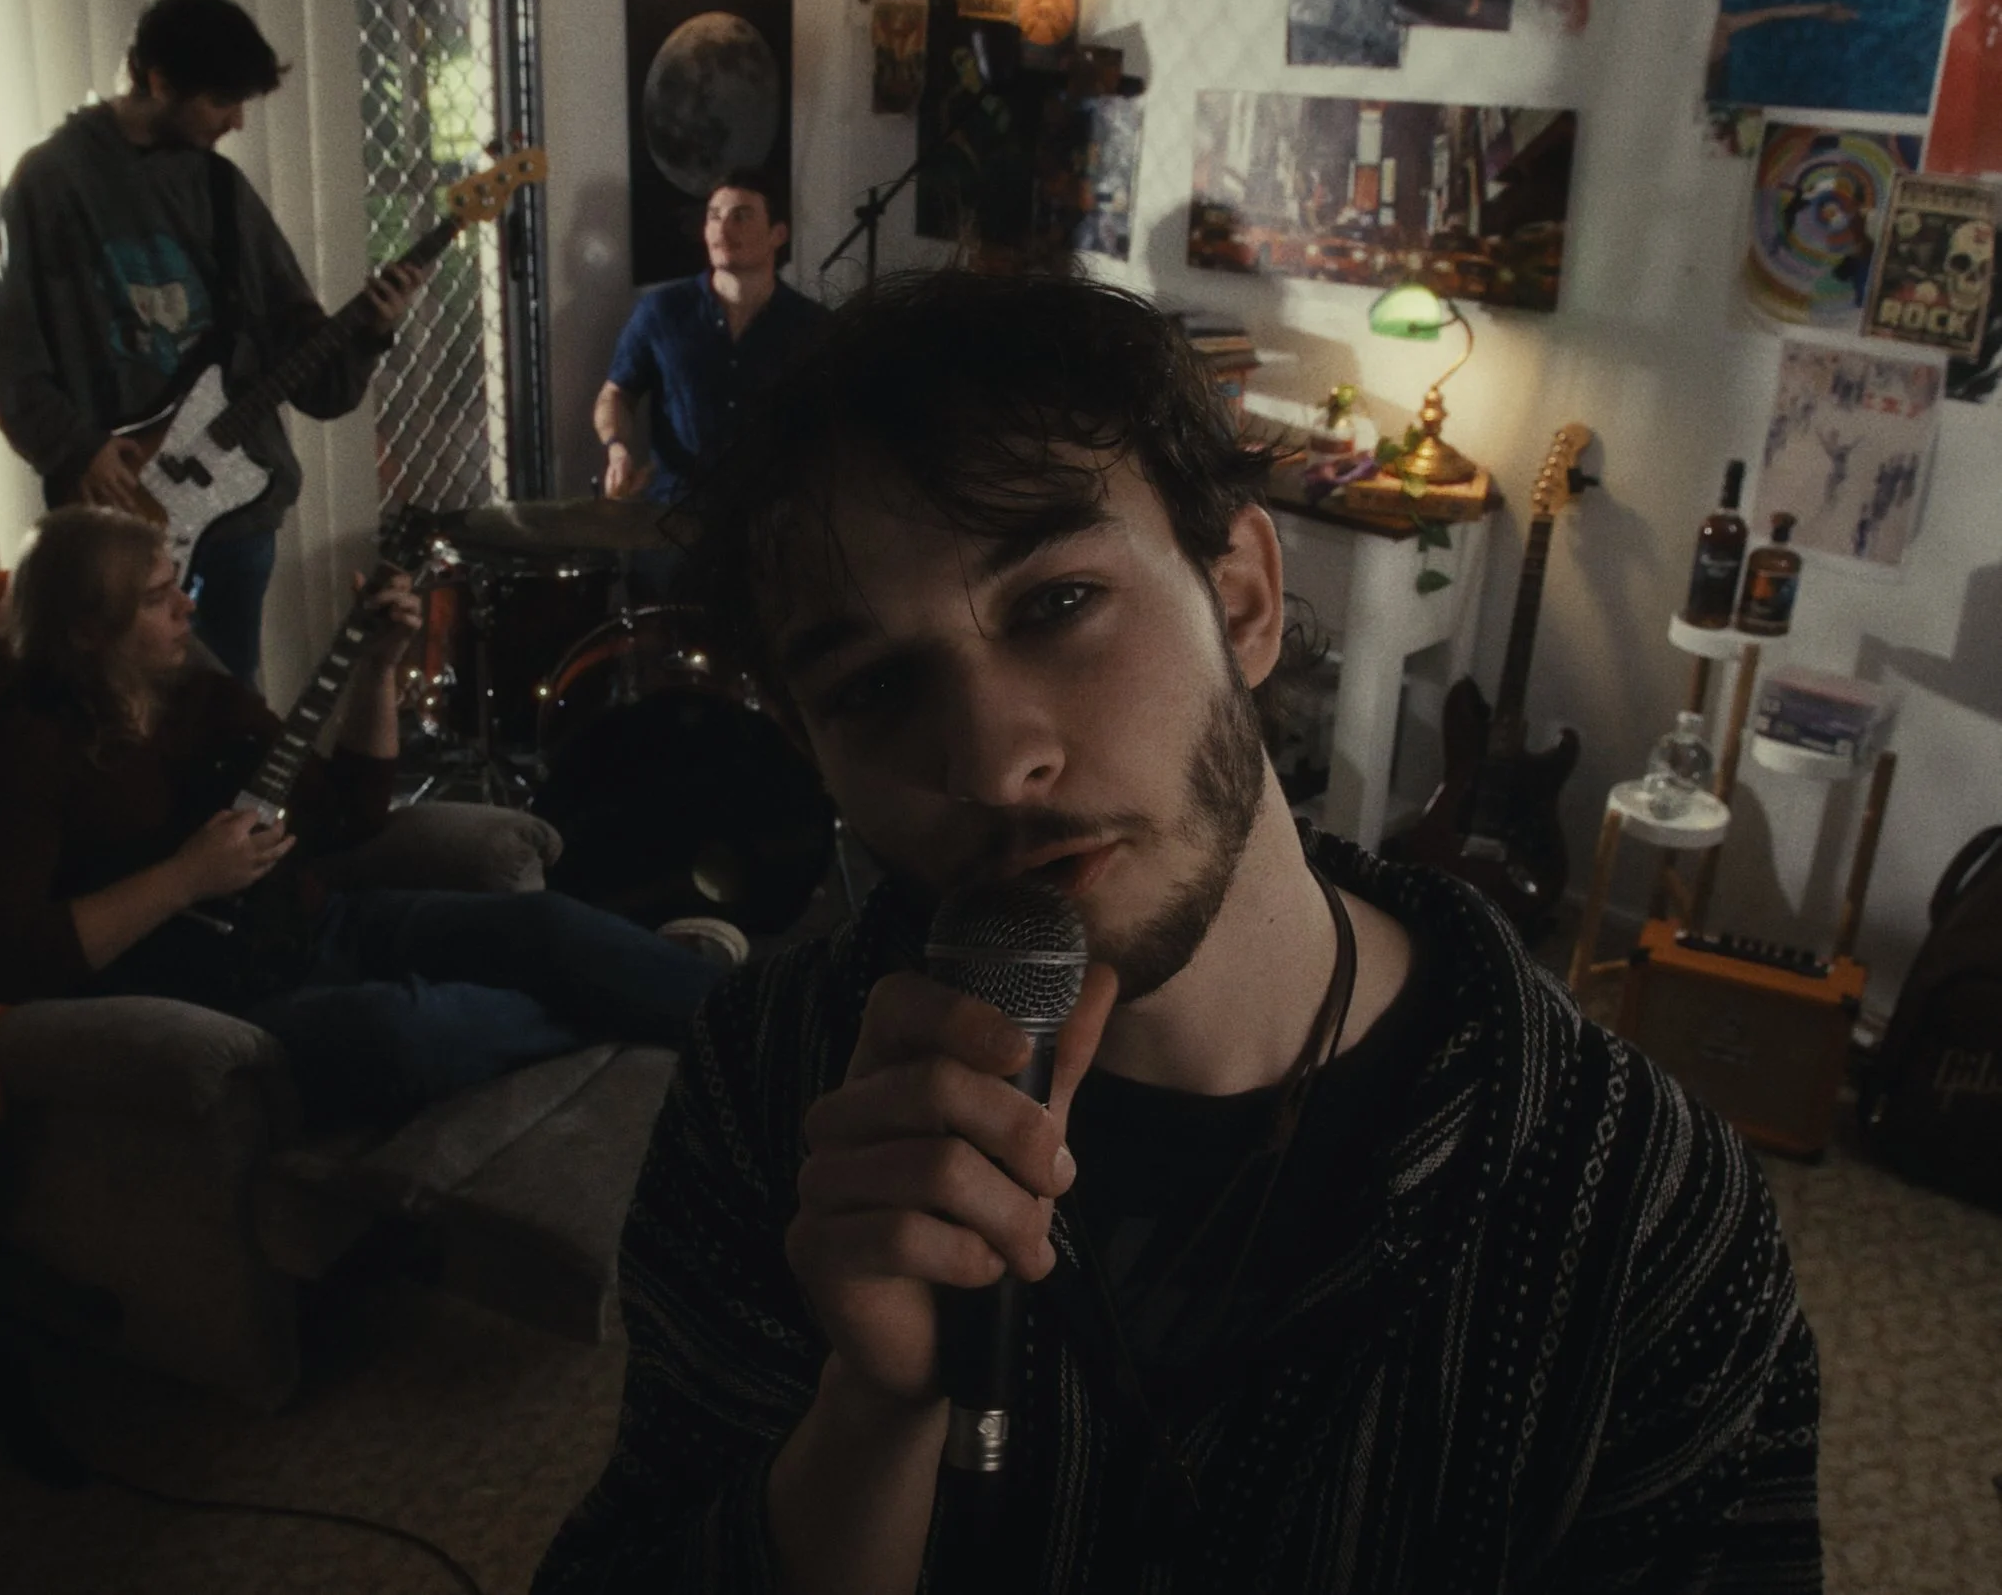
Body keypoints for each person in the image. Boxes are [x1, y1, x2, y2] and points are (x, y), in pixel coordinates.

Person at [536, 273, 1822, 1591]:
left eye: (1055, 603)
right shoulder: (775, 1082)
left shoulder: (1642, 1207)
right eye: (874, 686)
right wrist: (873, 1414)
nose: (993, 757)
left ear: (1247, 599)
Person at [0, 506, 736, 1133]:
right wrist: (184, 878)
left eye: (175, 582)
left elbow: (351, 812)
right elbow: (11, 956)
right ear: (88, 632)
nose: (189, 605)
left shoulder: (202, 697)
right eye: (158, 598)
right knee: (404, 1035)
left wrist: (379, 665)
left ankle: (756, 1019)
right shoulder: (30, 750)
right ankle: (631, 992)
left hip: (321, 922)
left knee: (549, 928)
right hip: (217, 995)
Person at [0, 0, 429, 686]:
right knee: (123, 714)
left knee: (224, 712)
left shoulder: (221, 190)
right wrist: (76, 445)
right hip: (117, 524)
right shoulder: (51, 183)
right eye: (220, 101)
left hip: (237, 512)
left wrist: (368, 334)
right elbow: (1, 347)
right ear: (158, 81)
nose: (237, 121)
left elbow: (307, 363)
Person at [595, 171, 829, 507]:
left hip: (775, 517)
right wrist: (617, 449)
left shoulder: (812, 325)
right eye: (714, 217)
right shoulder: (662, 311)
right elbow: (616, 393)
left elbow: (835, 422)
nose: (722, 230)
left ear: (778, 234)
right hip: (676, 513)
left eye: (741, 217)